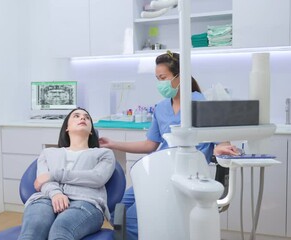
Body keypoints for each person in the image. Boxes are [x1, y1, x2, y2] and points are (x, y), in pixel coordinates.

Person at [99, 51, 240, 240]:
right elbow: (150, 144)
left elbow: (221, 142)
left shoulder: (200, 103)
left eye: (163, 77)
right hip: (159, 171)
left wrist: (219, 148)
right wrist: (113, 143)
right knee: (119, 208)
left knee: (133, 218)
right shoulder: (161, 107)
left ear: (179, 76)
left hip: (185, 174)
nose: (160, 83)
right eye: (157, 79)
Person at [18, 107, 116, 240]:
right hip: (46, 199)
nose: (82, 118)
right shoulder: (48, 153)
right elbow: (42, 181)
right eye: (76, 116)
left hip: (85, 202)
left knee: (60, 230)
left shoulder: (104, 154)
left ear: (91, 131)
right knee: (32, 232)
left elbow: (97, 178)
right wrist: (56, 193)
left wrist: (55, 174)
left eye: (87, 118)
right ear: (66, 128)